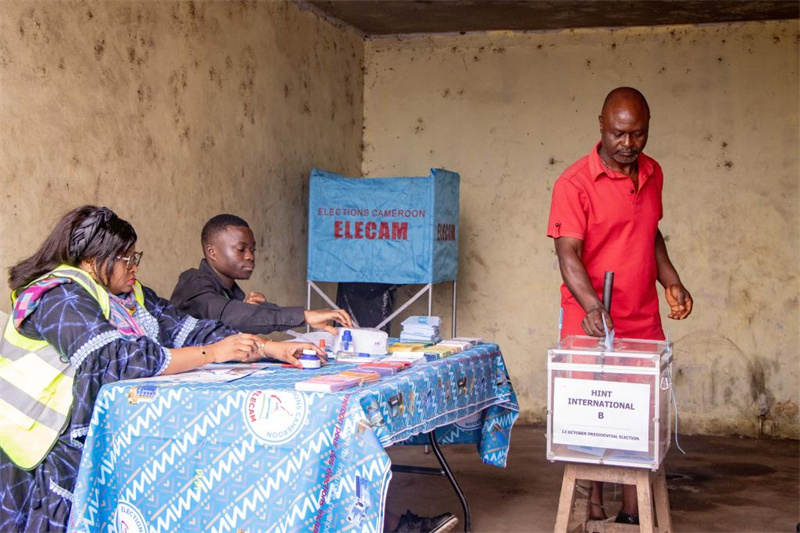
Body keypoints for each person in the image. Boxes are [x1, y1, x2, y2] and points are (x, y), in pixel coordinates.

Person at [0, 206, 322, 531]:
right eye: (125, 258)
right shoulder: (60, 297)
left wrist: (271, 348)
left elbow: (190, 329)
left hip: (98, 437)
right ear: (91, 260)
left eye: (133, 256)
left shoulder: (131, 296)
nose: (134, 267)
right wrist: (210, 354)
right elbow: (114, 359)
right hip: (45, 447)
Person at [547, 87, 693, 524]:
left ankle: (633, 512)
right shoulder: (573, 184)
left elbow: (650, 232)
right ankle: (593, 501)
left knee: (641, 416)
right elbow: (567, 252)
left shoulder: (653, 173)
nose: (628, 144)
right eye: (618, 134)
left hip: (643, 316)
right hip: (591, 319)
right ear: (601, 126)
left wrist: (671, 280)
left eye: (638, 134)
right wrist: (592, 305)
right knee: (596, 412)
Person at [170, 214, 353, 335]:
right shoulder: (193, 283)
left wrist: (248, 311)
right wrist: (304, 316)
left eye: (253, 250)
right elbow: (229, 315)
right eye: (241, 249)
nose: (250, 256)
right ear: (212, 252)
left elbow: (238, 317)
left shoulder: (229, 292)